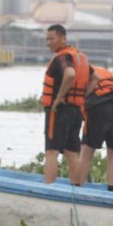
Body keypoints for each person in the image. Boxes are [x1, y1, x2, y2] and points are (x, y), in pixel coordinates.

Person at [41, 24, 89, 185]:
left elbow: (70, 74)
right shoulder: (79, 57)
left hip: (60, 110)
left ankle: (48, 189)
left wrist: (58, 98)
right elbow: (94, 78)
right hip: (76, 110)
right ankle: (76, 188)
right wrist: (83, 96)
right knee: (71, 152)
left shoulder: (62, 57)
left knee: (51, 151)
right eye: (47, 39)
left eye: (52, 38)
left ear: (63, 38)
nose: (48, 42)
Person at [77, 64, 113, 192]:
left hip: (97, 107)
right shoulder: (104, 71)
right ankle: (111, 190)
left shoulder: (78, 72)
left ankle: (77, 189)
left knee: (86, 151)